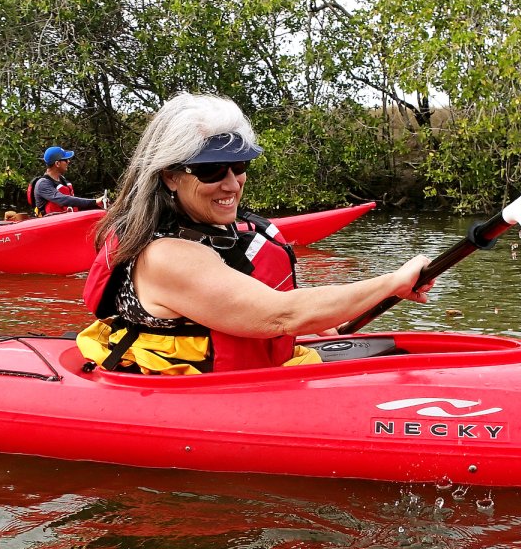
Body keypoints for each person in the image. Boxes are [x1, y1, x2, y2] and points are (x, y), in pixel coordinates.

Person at [76, 93, 433, 375]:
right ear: (170, 175)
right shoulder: (166, 253)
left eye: (240, 165)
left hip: (251, 373)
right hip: (195, 391)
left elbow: (256, 300)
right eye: (211, 170)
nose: (231, 183)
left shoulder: (212, 230)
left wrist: (322, 321)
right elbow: (281, 315)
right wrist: (393, 281)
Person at [28, 146, 105, 216]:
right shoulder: (42, 184)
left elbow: (73, 203)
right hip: (50, 226)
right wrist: (94, 201)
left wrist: (97, 205)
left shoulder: (62, 180)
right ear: (57, 163)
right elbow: (63, 199)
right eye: (65, 160)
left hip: (66, 221)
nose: (69, 161)